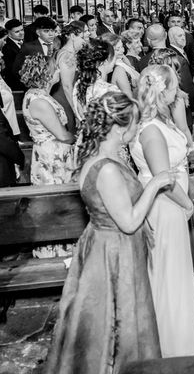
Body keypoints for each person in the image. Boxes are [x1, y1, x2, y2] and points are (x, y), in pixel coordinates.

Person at [44, 92, 174, 374]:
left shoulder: (102, 157)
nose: (137, 128)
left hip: (104, 244)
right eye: (134, 123)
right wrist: (155, 184)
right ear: (118, 127)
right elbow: (128, 222)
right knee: (121, 323)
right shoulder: (107, 170)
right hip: (115, 253)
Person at [129, 65, 194, 357]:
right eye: (173, 86)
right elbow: (163, 179)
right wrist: (188, 204)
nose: (177, 91)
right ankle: (171, 345)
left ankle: (180, 338)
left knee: (175, 273)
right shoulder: (151, 131)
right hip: (165, 206)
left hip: (170, 205)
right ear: (161, 90)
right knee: (169, 277)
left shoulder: (162, 119)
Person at [21, 49, 75, 184]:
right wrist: (78, 138)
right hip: (51, 157)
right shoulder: (38, 100)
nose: (59, 71)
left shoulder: (41, 95)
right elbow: (62, 135)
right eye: (55, 68)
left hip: (55, 152)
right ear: (46, 74)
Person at [51, 21, 88, 133]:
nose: (88, 34)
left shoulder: (66, 52)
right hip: (65, 99)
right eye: (84, 32)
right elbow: (67, 86)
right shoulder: (67, 56)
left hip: (68, 97)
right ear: (72, 36)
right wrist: (76, 112)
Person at [73, 39, 120, 122]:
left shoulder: (79, 84)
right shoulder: (109, 90)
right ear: (105, 61)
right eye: (114, 58)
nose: (115, 62)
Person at [13, 16, 58, 91]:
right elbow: (17, 69)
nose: (51, 34)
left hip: (56, 88)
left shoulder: (59, 44)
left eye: (53, 31)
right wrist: (30, 85)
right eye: (46, 31)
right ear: (38, 32)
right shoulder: (28, 47)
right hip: (37, 89)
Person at [2, 19, 25, 90]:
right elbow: (12, 70)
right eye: (17, 32)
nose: (21, 33)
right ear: (9, 34)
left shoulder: (24, 42)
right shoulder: (7, 48)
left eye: (22, 30)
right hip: (16, 86)